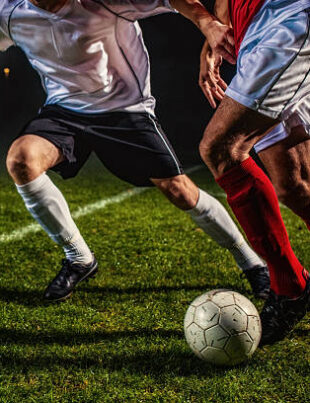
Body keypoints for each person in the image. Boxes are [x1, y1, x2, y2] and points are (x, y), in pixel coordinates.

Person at [2, 0, 268, 302]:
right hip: (65, 111)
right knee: (21, 159)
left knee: (180, 191)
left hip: (125, 111)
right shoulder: (10, 13)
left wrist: (208, 25)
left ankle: (252, 262)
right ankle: (79, 258)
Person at [196, 0, 310, 345]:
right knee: (295, 184)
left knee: (220, 149)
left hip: (289, 21)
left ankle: (291, 288)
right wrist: (211, 36)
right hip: (256, 35)